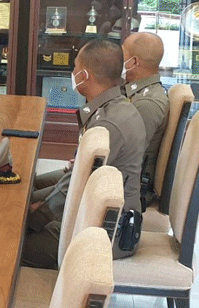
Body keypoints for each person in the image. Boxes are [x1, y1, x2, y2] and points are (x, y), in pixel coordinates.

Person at [22, 39, 146, 268]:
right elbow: (78, 178)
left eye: (75, 68)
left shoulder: (109, 123)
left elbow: (76, 186)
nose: (73, 73)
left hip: (105, 230)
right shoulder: (113, 108)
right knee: (26, 196)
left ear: (85, 75)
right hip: (93, 210)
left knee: (13, 245)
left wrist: (34, 218)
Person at [121, 32, 169, 207]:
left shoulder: (146, 104)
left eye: (122, 54)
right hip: (117, 178)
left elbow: (126, 159)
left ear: (133, 62)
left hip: (125, 191)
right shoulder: (137, 93)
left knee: (42, 202)